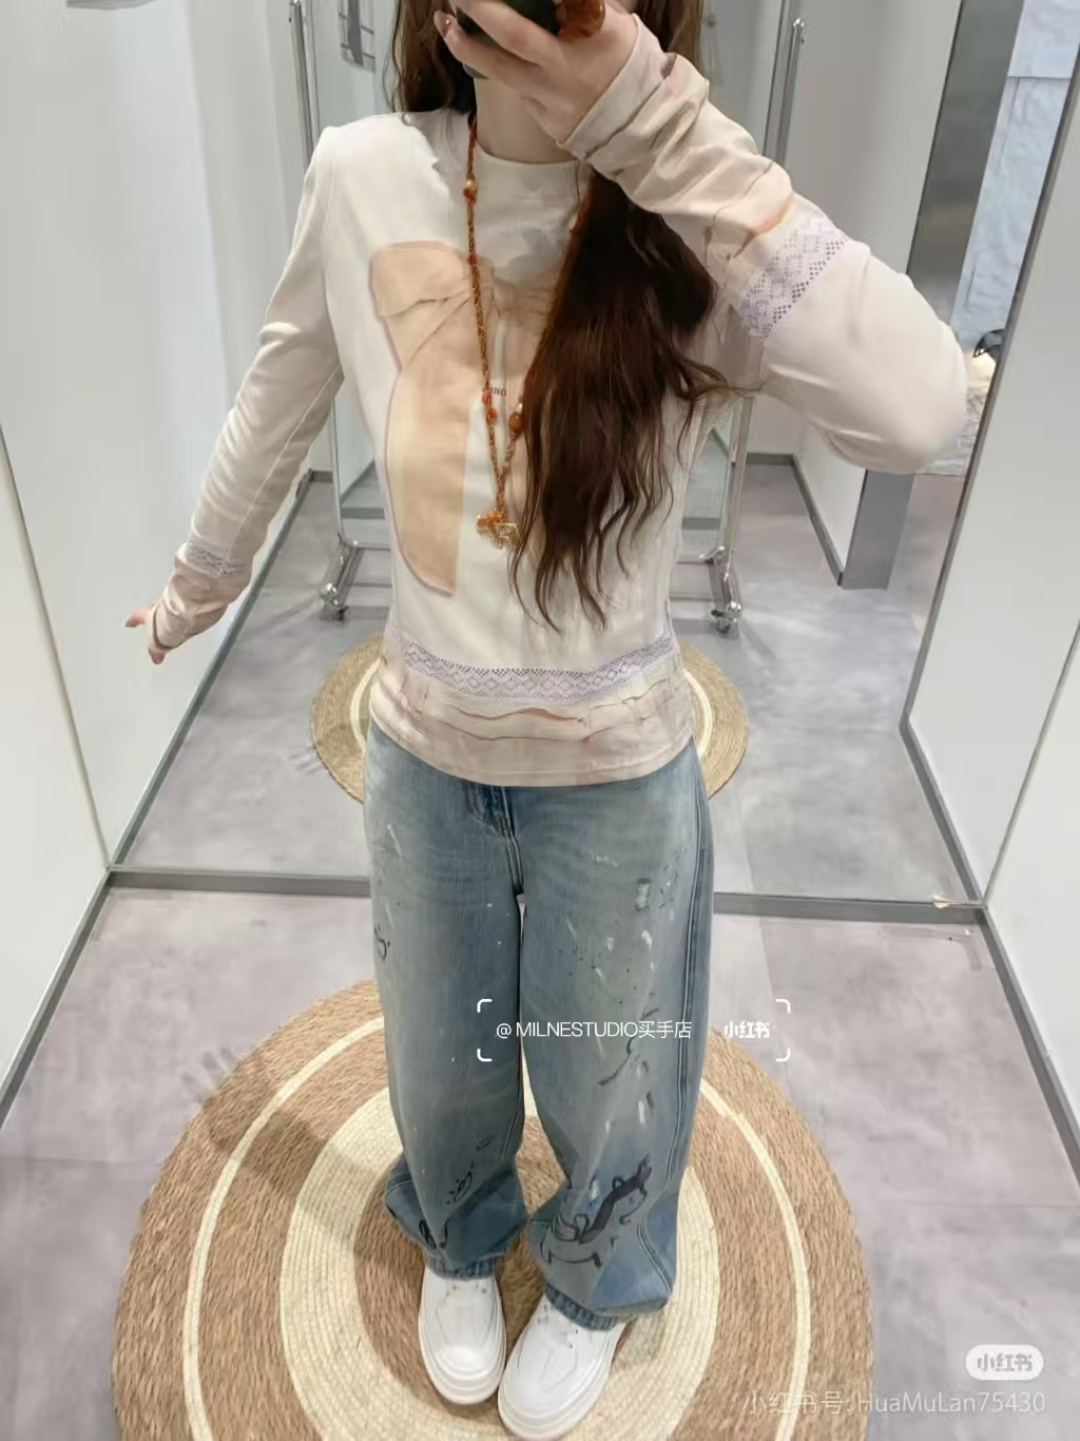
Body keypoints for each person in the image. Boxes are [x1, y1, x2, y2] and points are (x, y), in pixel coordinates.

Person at [127, 0, 967, 1434]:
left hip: (619, 774)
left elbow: (921, 410)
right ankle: (461, 1236)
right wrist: (198, 584)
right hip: (426, 753)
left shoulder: (684, 207)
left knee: (613, 1066)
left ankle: (593, 1281)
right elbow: (278, 396)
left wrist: (651, 123)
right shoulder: (362, 176)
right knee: (438, 1050)